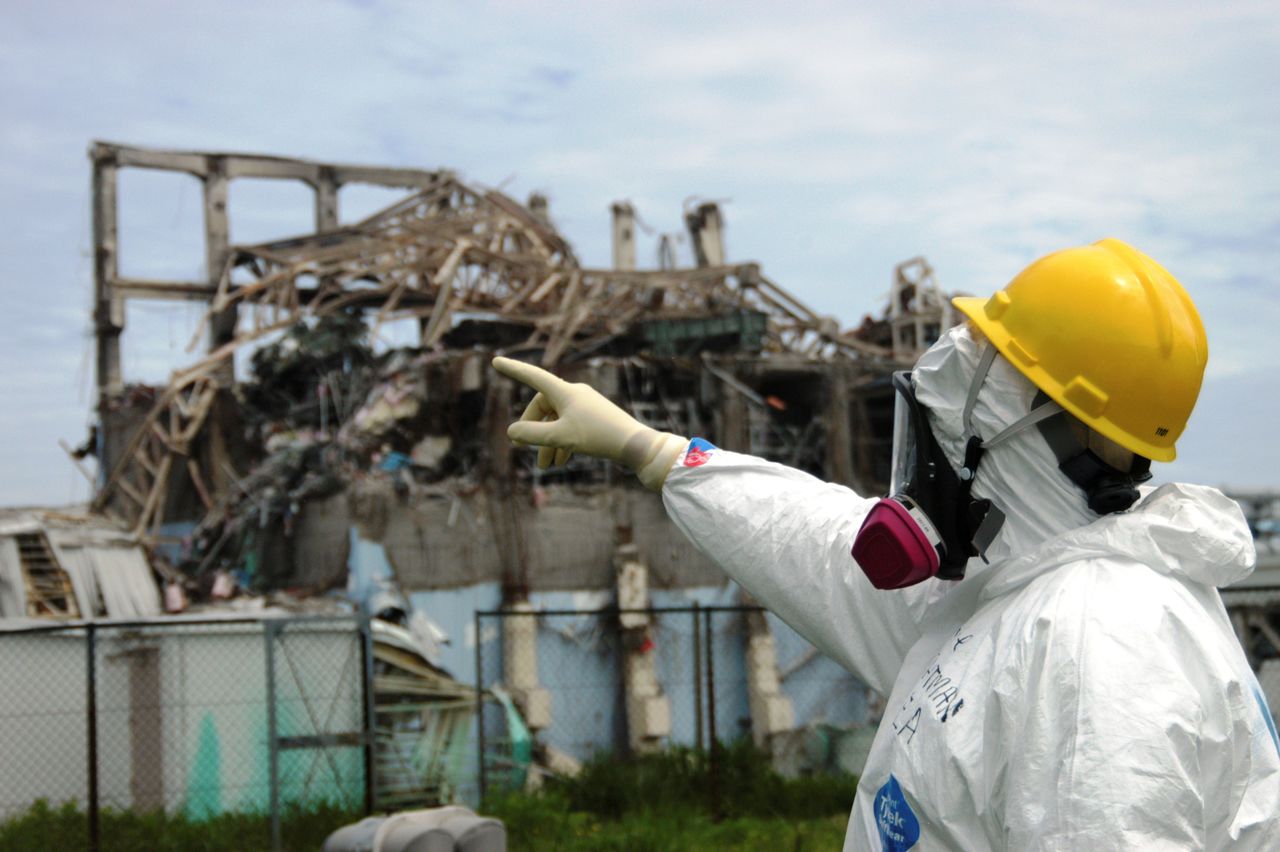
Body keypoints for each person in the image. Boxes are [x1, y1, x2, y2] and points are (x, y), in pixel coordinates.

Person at [492, 238, 1280, 849]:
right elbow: (814, 542)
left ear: (1014, 420)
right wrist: (652, 450)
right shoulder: (1017, 587)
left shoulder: (1097, 651)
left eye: (945, 418)